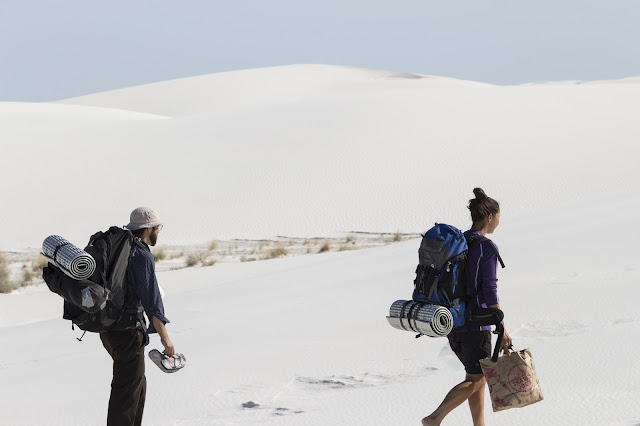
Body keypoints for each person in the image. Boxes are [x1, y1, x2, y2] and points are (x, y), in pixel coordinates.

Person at [422, 188, 512, 426]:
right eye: (499, 216)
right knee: (475, 380)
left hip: (454, 322)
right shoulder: (486, 247)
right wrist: (501, 326)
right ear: (490, 216)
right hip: (476, 325)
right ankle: (434, 418)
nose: (499, 222)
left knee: (476, 377)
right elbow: (490, 289)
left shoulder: (460, 241)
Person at [100, 207, 175, 426]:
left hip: (109, 330)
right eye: (157, 228)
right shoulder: (140, 255)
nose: (158, 232)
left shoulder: (118, 250)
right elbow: (152, 302)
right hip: (127, 334)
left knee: (136, 387)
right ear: (148, 228)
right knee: (126, 394)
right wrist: (165, 338)